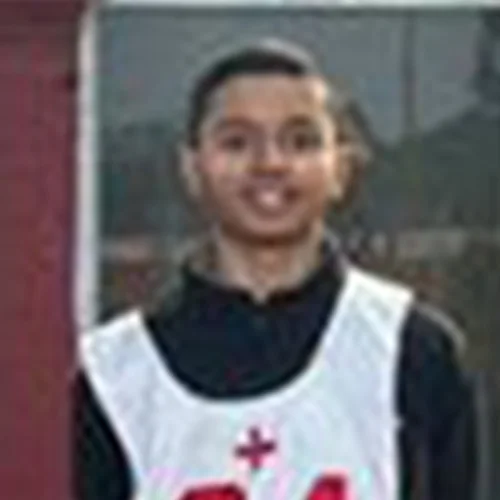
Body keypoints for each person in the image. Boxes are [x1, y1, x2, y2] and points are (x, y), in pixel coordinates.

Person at [75, 39, 481, 500]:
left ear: (340, 168)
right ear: (192, 168)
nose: (270, 164)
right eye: (237, 142)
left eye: (300, 141)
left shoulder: (415, 350)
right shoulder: (116, 376)